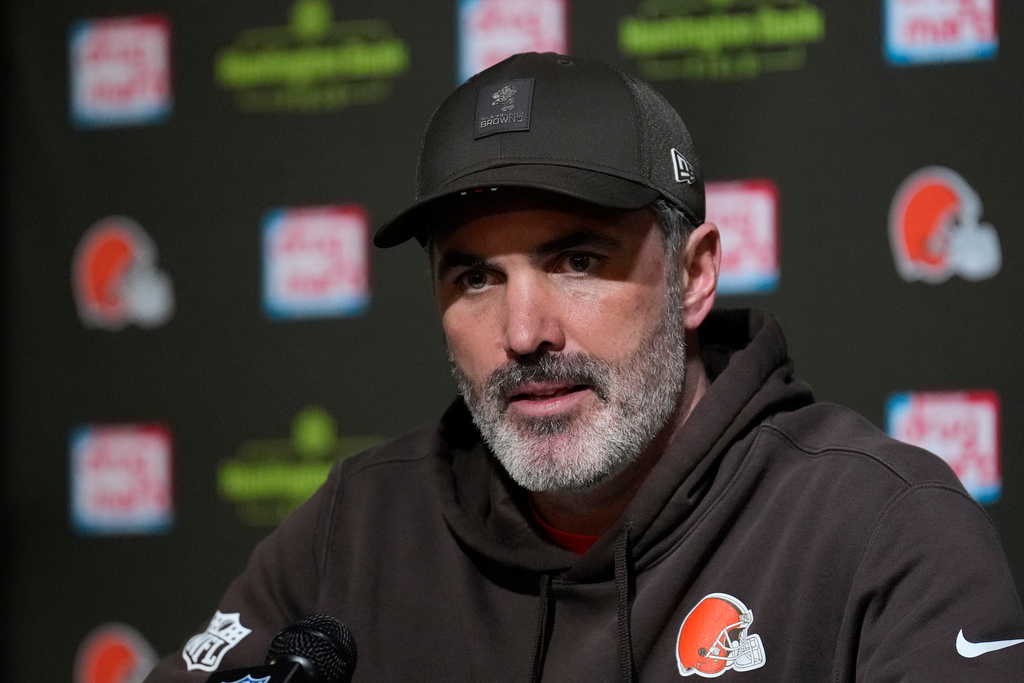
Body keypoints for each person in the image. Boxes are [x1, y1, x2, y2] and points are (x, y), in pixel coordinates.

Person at [145, 52, 1024, 682]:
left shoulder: (880, 526)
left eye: (577, 262)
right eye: (476, 276)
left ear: (694, 274)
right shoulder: (358, 527)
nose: (524, 333)